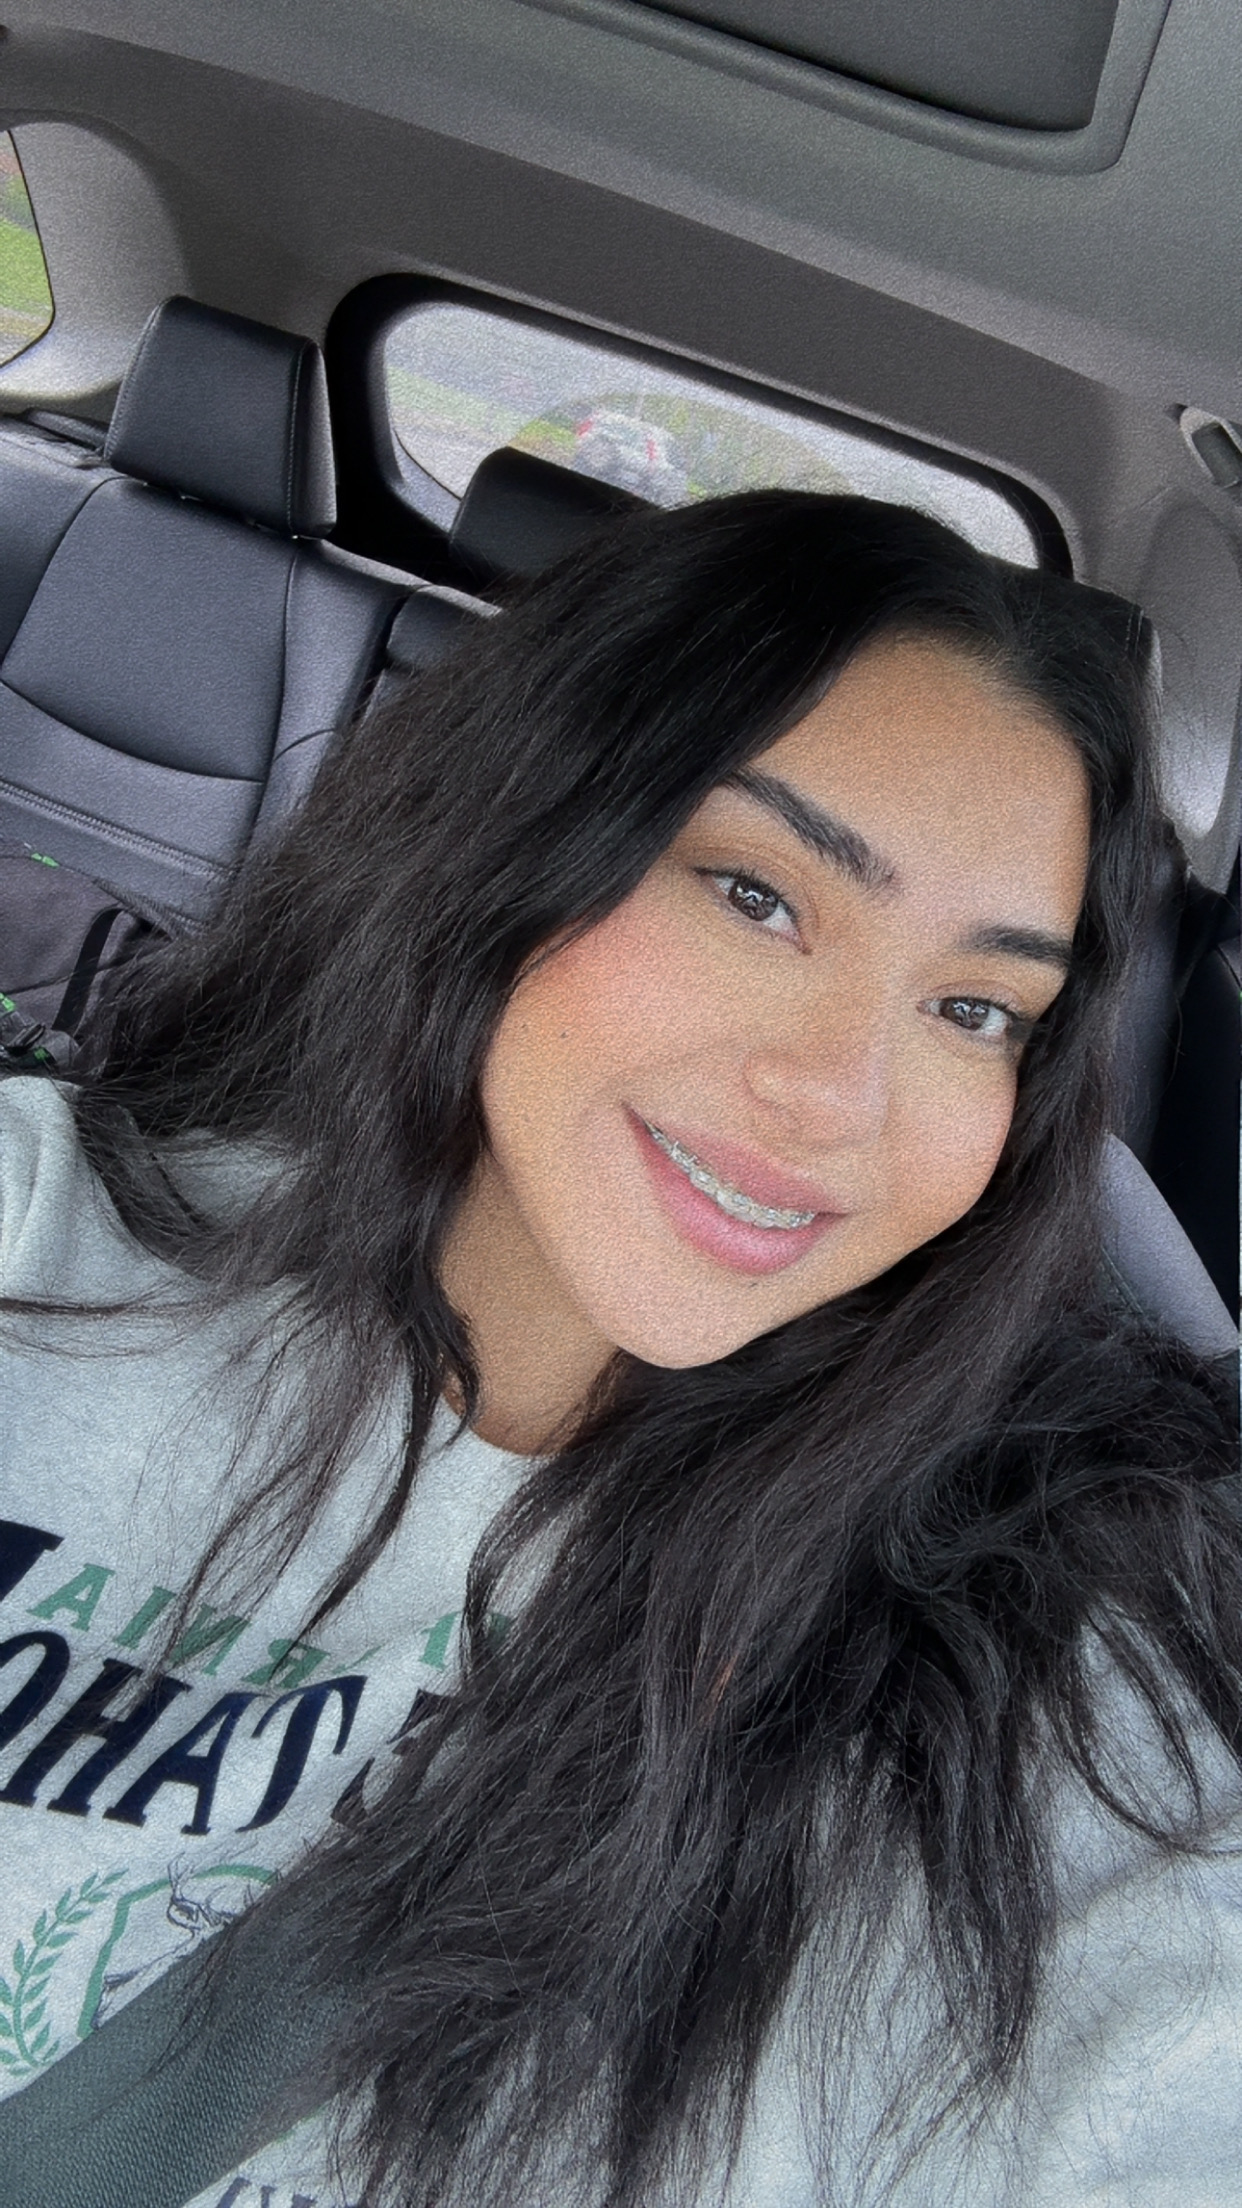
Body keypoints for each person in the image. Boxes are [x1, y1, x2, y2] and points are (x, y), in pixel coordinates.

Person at [0, 490, 1237, 2208]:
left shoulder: (1030, 1634)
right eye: (755, 894)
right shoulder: (39, 1236)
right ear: (508, 832)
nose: (836, 1100)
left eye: (974, 1010)